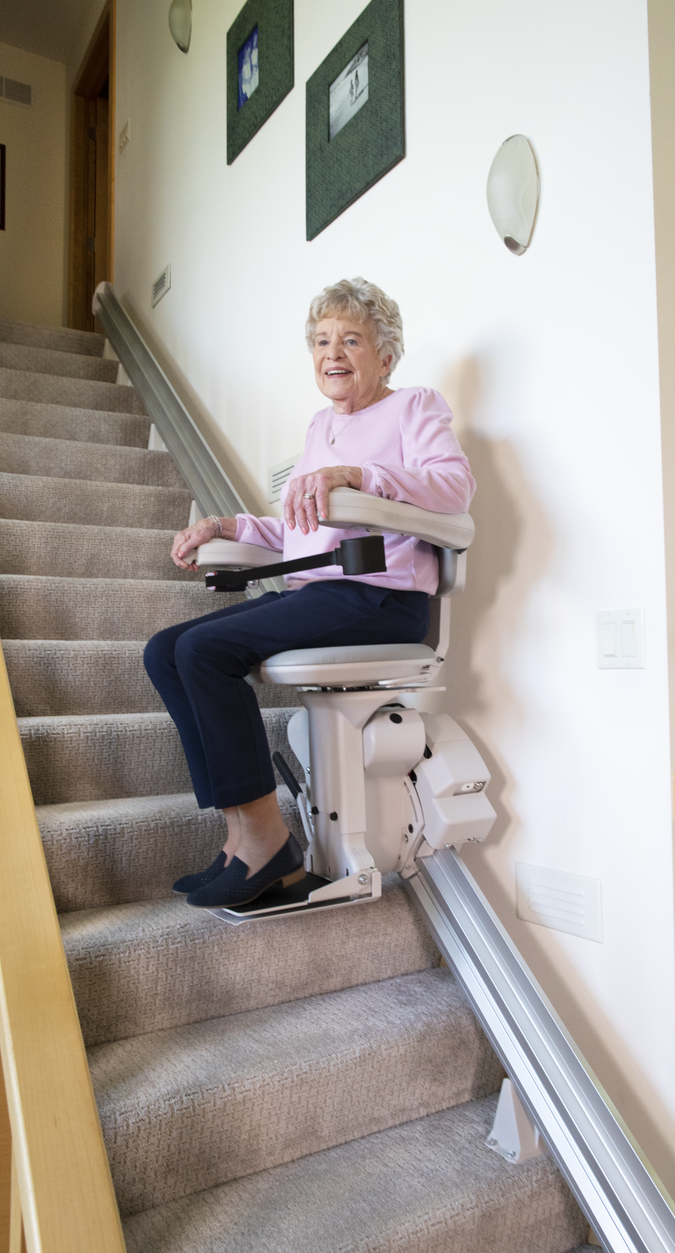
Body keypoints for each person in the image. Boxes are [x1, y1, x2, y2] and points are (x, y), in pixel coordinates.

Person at [144, 278, 475, 909]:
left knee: (205, 653)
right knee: (165, 650)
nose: (334, 352)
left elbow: (454, 488)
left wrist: (359, 474)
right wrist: (225, 526)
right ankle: (240, 837)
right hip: (320, 592)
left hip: (381, 597)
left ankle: (269, 842)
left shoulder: (414, 408)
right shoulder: (321, 426)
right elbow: (298, 530)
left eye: (352, 339)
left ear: (385, 355)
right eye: (322, 340)